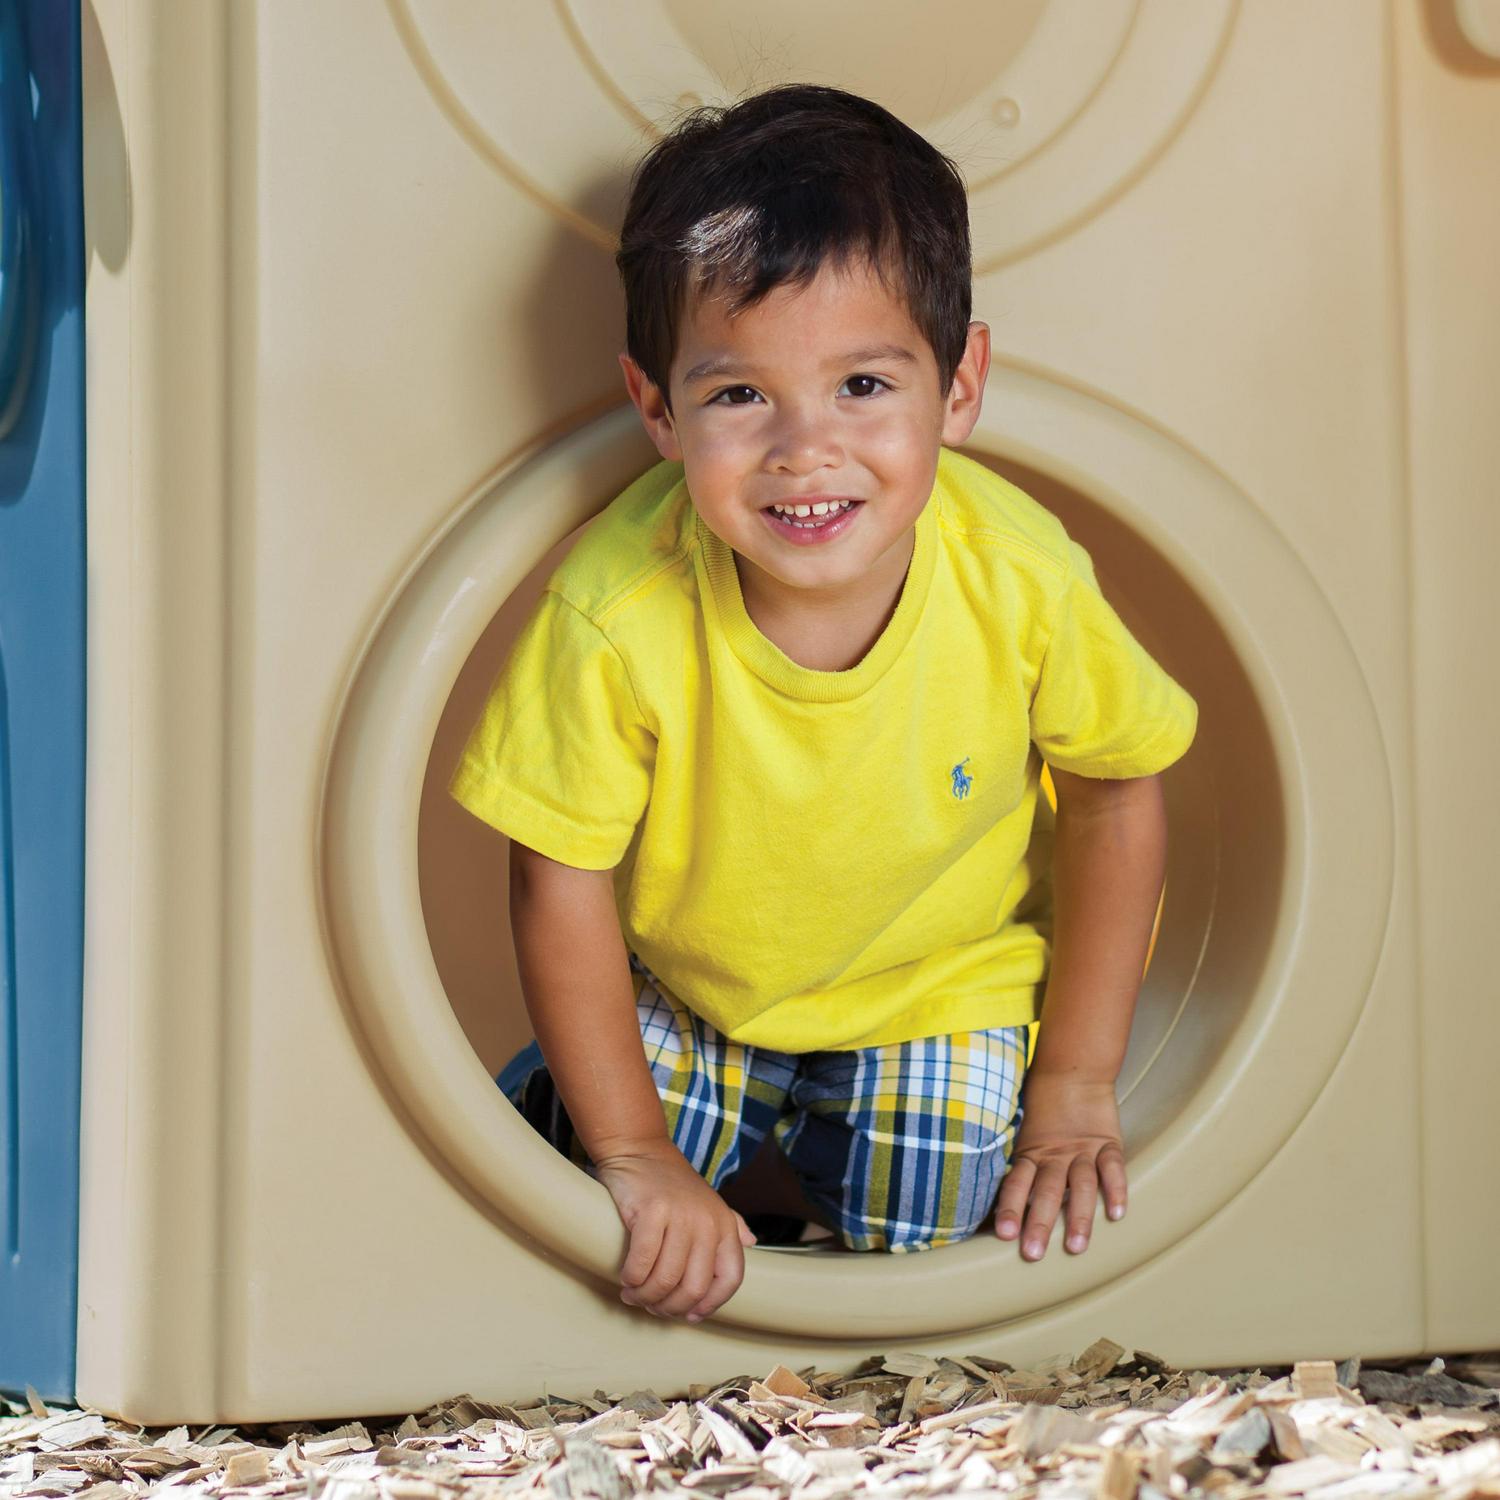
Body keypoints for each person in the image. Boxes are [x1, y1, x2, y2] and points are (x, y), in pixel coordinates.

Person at [448, 83, 1198, 1326]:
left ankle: (795, 1166)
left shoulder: (1023, 576)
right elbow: (557, 874)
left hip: (940, 980)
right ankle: (677, 1144)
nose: (807, 450)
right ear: (657, 409)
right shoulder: (615, 609)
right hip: (689, 991)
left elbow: (1119, 795)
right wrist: (636, 1151)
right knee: (587, 1191)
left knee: (959, 1217)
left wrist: (1074, 1080)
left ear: (958, 388)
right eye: (741, 396)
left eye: (863, 384)